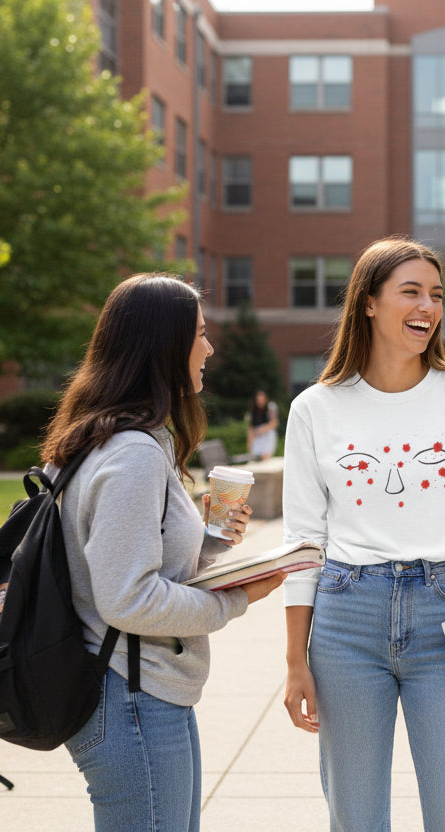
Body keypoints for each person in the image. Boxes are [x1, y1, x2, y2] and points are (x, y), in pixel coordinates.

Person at [280, 237, 445, 832]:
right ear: (367, 302)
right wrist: (294, 660)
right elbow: (304, 541)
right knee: (356, 816)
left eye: (436, 295)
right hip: (345, 619)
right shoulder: (315, 408)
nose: (427, 307)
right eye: (410, 292)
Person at [40, 273, 285, 832]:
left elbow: (130, 564)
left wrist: (212, 538)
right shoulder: (133, 454)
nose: (210, 347)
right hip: (131, 697)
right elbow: (128, 599)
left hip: (136, 692)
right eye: (199, 333)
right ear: (165, 345)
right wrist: (236, 599)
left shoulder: (108, 438)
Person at [246, 389, 279, 460]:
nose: (260, 401)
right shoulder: (252, 411)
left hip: (267, 436)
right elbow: (250, 429)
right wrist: (249, 444)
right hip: (257, 437)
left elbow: (275, 423)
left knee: (266, 457)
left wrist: (263, 428)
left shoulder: (270, 407)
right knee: (255, 457)